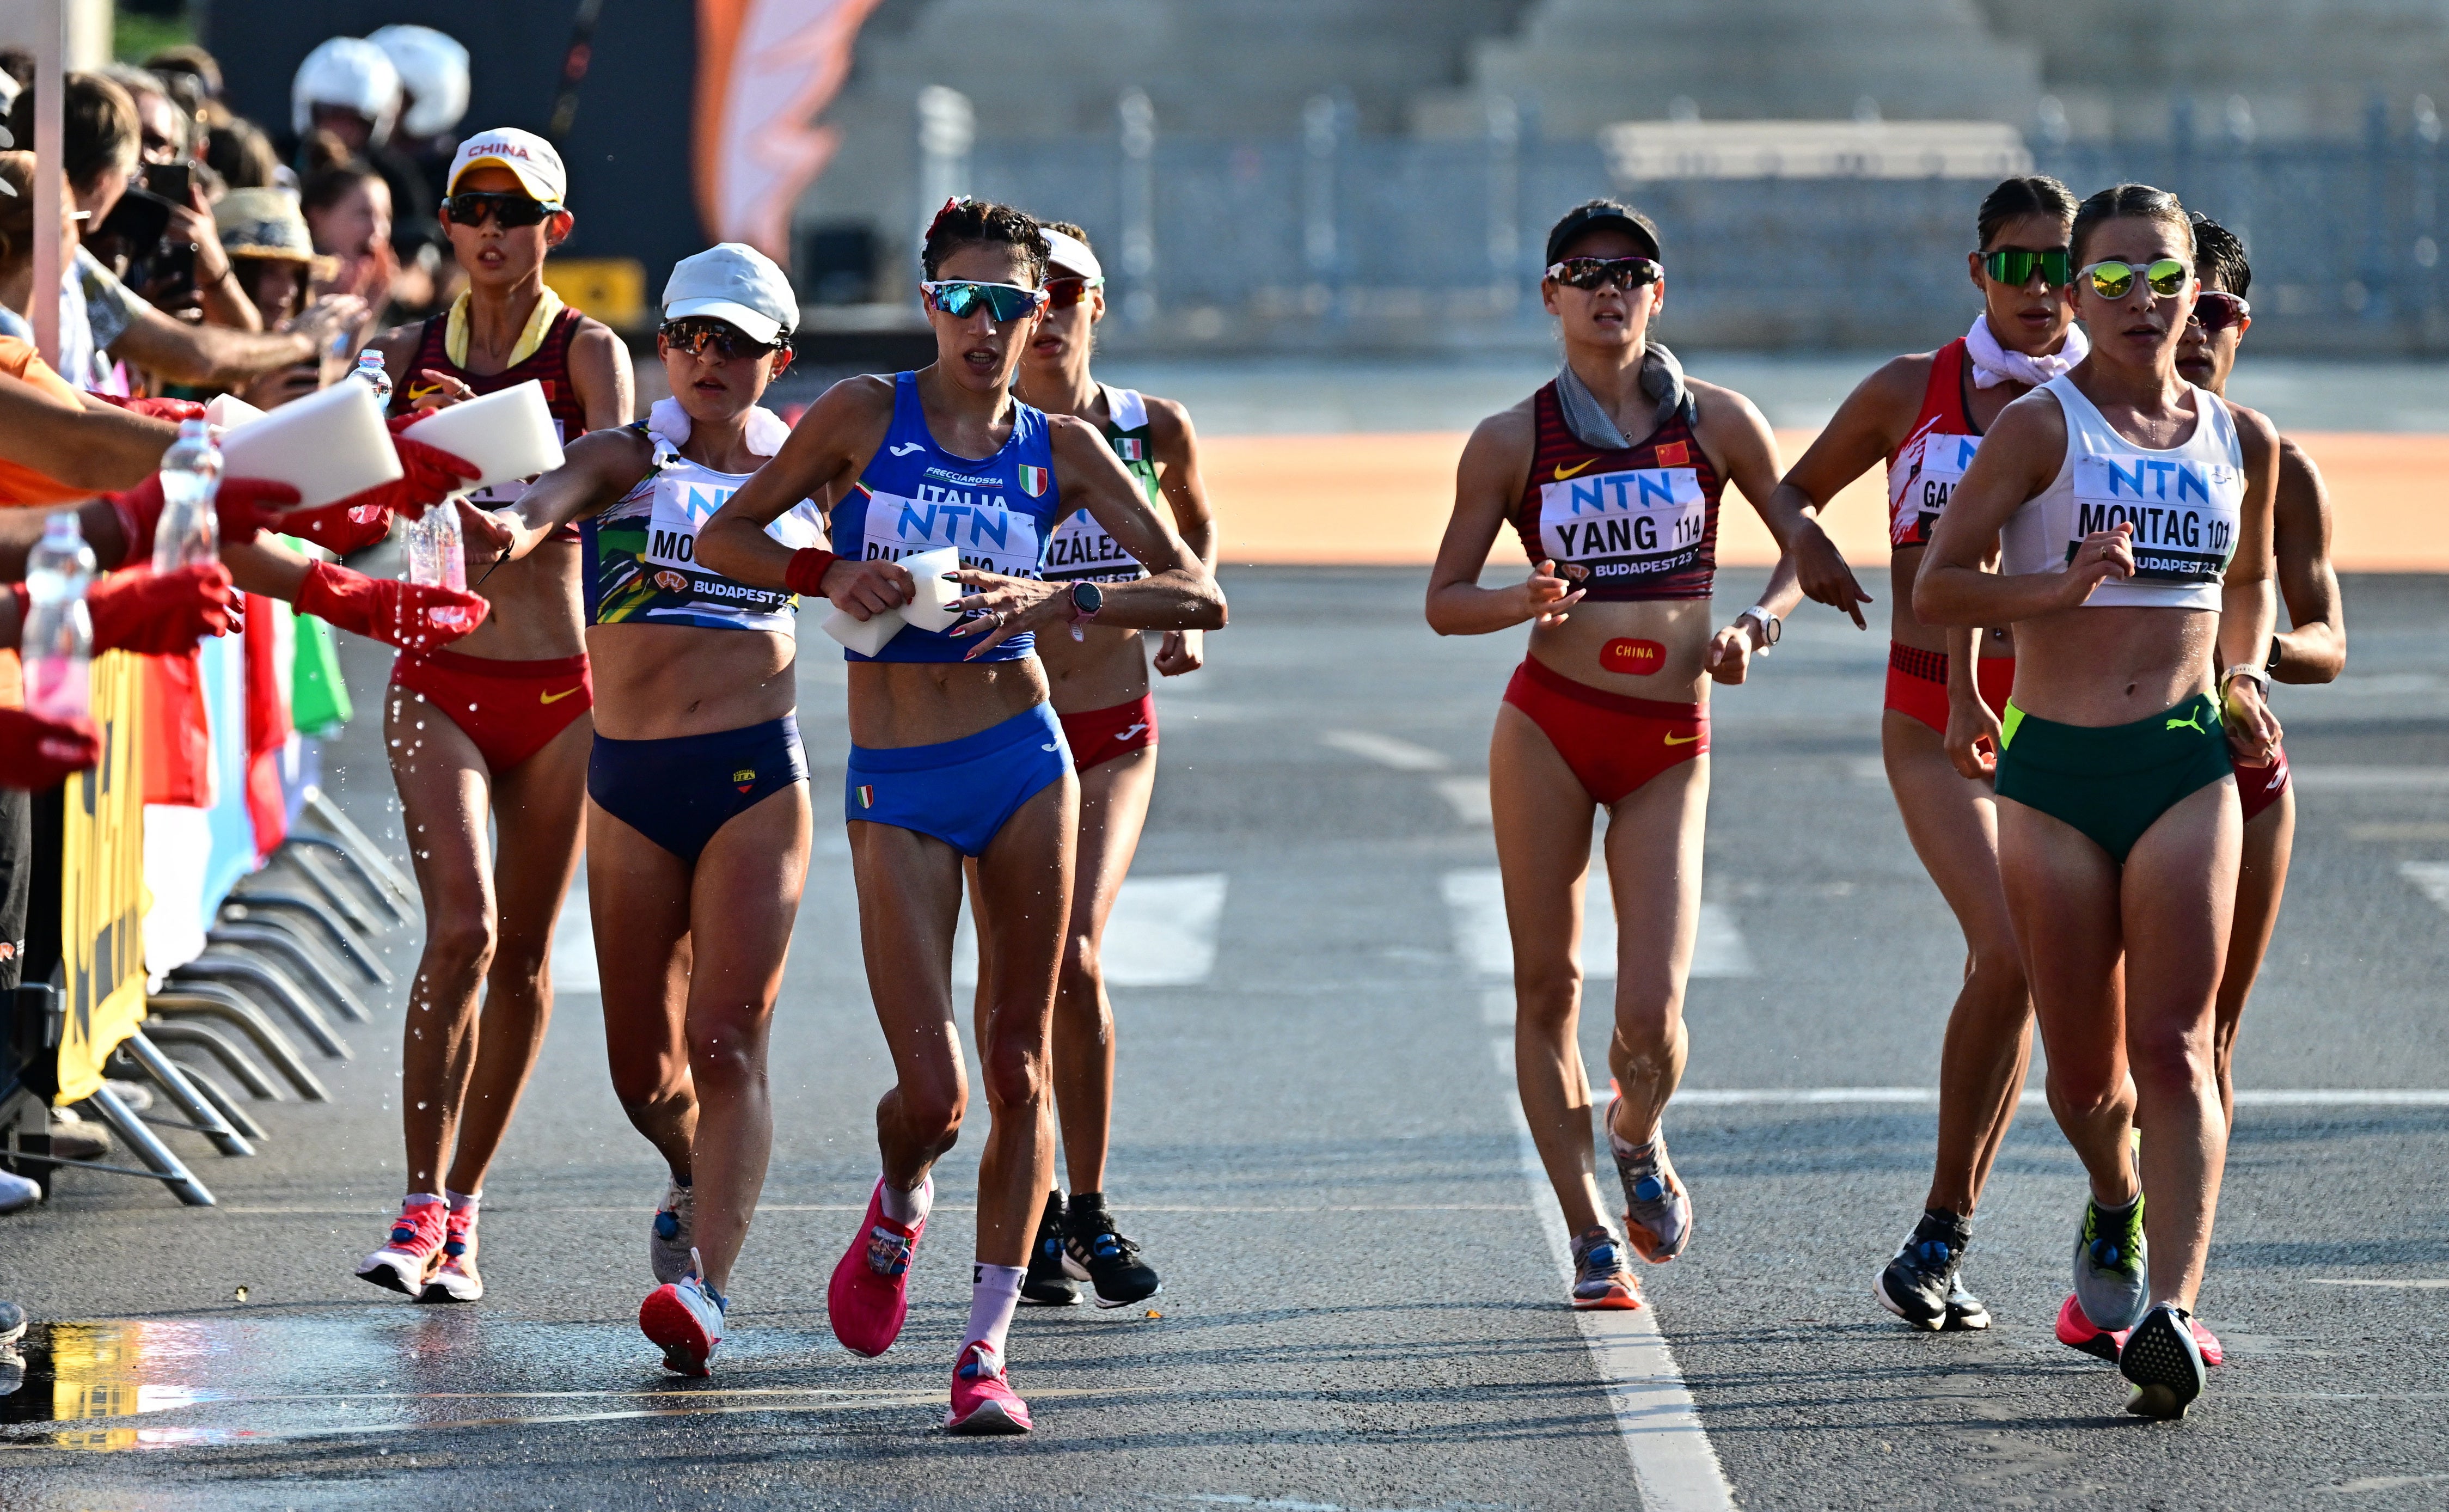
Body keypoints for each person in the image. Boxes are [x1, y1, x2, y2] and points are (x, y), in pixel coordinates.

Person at [694, 197, 1224, 1435]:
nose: (989, 327)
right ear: (928, 304)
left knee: (1019, 1059)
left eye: (1013, 304)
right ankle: (895, 1203)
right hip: (898, 782)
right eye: (964, 302)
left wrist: (1059, 594)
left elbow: (1195, 590)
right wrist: (826, 571)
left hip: (1020, 757)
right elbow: (727, 531)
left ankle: (983, 1348)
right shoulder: (862, 417)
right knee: (932, 1094)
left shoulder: (1062, 447)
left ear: (1042, 311)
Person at [1917, 183, 2281, 1420]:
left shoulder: (2243, 439)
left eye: (2162, 277)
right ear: (2073, 296)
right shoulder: (2039, 424)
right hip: (2054, 778)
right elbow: (1936, 586)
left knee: (2175, 1045)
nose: (2140, 301)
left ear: (2196, 292)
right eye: (2113, 279)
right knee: (2083, 1079)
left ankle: (2171, 1311)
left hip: (2182, 763)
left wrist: (2240, 670)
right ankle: (2114, 1200)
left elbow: (2250, 584)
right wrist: (2056, 590)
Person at [1424, 199, 1786, 1314]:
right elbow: (1443, 601)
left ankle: (1636, 1131)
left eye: (1628, 271)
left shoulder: (1717, 420)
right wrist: (1512, 600)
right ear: (1550, 296)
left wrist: (1756, 623)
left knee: (1647, 1017)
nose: (1606, 289)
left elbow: (1801, 547)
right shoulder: (1510, 439)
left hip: (1668, 736)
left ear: (1656, 292)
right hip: (1548, 723)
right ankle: (1587, 1232)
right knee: (1547, 985)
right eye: (1583, 273)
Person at [457, 241, 816, 1367]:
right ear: (665, 347)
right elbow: (552, 492)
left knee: (726, 1035)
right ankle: (685, 1162)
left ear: (777, 358)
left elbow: (896, 552)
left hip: (755, 776)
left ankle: (705, 1289)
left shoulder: (809, 465)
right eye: (687, 338)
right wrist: (513, 528)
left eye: (733, 343)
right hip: (630, 783)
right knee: (644, 1072)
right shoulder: (624, 454)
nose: (706, 360)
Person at [1762, 175, 2086, 1331]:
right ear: (1976, 273)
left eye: (2061, 265)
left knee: (2047, 977)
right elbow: (1791, 490)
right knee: (2003, 947)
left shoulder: (2103, 403)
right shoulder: (1912, 391)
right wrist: (1789, 579)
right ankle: (1939, 1231)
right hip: (1927, 716)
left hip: (2065, 710)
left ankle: (1954, 1230)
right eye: (2016, 263)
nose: (2040, 287)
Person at [348, 127, 632, 1305]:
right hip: (440, 679)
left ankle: (465, 1204)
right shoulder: (405, 346)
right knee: (459, 929)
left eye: (517, 212)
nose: (493, 230)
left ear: (553, 230)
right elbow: (349, 485)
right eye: (474, 208)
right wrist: (408, 435)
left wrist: (507, 443)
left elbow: (621, 468)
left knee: (521, 949)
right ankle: (418, 1196)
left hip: (561, 687)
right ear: (451, 225)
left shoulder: (590, 348)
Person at [998, 219, 1215, 1309]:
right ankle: (1036, 1213)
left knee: (1075, 950)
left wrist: (1182, 621)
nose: (1049, 316)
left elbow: (1197, 543)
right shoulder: (989, 438)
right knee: (1025, 973)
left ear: (1097, 305)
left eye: (1069, 292)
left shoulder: (1146, 425)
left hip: (1115, 724)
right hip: (1012, 731)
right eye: (1031, 296)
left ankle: (1085, 1203)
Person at [4, 72, 359, 395]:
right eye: (137, 150)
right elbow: (195, 357)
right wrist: (301, 340)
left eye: (160, 146)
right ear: (104, 180)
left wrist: (214, 270)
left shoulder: (71, 258)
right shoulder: (61, 254)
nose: (145, 169)